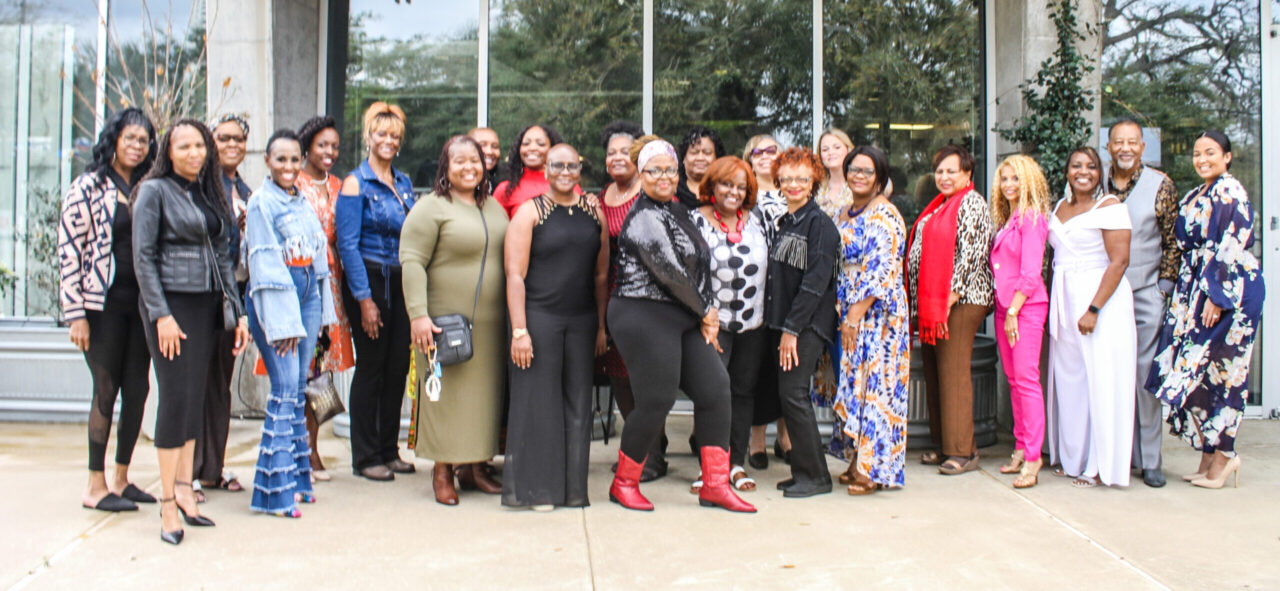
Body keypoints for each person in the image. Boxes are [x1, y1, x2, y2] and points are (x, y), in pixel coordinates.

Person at [606, 138, 754, 513]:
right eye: (654, 170)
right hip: (643, 313)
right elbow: (670, 271)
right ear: (641, 175)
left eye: (669, 170)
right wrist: (707, 313)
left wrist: (703, 315)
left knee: (716, 388)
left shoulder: (676, 211)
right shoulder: (643, 217)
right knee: (657, 398)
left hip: (682, 313)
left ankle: (716, 485)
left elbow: (699, 264)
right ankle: (624, 483)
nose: (664, 177)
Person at [133, 119, 249, 544]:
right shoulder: (152, 191)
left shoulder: (208, 193)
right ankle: (166, 502)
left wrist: (237, 313)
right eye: (184, 146)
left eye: (199, 145)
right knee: (176, 400)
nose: (194, 153)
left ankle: (185, 489)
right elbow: (143, 259)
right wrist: (161, 314)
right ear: (169, 150)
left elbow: (222, 258)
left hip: (205, 306)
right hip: (172, 307)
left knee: (195, 397)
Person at [1146, 131, 1264, 489]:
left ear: (1227, 156)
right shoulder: (1197, 194)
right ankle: (1209, 455)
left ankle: (1225, 456)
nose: (1202, 159)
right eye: (1197, 154)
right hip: (1198, 289)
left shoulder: (1231, 191)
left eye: (1210, 153)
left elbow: (1230, 245)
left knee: (1224, 373)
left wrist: (1217, 297)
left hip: (1226, 293)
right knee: (1197, 372)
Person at [59, 107, 157, 512]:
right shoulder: (89, 186)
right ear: (114, 139)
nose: (137, 145)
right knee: (106, 390)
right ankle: (94, 484)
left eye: (144, 140)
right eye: (130, 137)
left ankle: (121, 476)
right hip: (100, 309)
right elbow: (68, 251)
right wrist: (75, 313)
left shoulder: (150, 187)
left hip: (140, 307)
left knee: (138, 391)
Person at [400, 135, 508, 505]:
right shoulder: (431, 207)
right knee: (444, 396)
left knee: (483, 399)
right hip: (443, 323)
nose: (469, 167)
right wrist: (418, 315)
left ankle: (475, 467)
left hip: (491, 325)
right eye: (459, 161)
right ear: (445, 166)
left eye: (475, 161)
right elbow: (412, 260)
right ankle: (442, 471)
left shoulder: (494, 207)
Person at [502, 144, 608, 510]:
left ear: (580, 169)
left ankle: (573, 490)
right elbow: (514, 276)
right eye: (557, 165)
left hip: (582, 321)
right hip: (539, 319)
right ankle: (539, 490)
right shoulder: (529, 213)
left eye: (572, 165)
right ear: (546, 170)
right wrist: (519, 330)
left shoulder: (595, 212)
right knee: (539, 404)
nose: (565, 171)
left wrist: (601, 327)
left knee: (579, 405)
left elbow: (601, 275)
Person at [244, 129, 337, 517]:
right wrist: (282, 324)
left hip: (308, 298)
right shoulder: (260, 204)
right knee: (283, 391)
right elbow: (263, 264)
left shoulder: (300, 201)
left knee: (298, 390)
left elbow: (317, 259)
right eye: (280, 159)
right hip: (276, 303)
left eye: (294, 159)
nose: (288, 166)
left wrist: (323, 313)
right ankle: (273, 492)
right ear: (267, 160)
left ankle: (299, 479)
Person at [815, 146, 910, 496]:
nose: (858, 175)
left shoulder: (886, 215)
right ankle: (857, 459)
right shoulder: (843, 212)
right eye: (853, 168)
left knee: (877, 389)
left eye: (867, 171)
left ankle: (874, 469)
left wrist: (855, 314)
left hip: (877, 315)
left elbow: (883, 270)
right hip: (847, 310)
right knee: (854, 386)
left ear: (880, 178)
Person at [1046, 147, 1137, 488]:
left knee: (1101, 380)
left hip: (1101, 299)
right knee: (1070, 379)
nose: (1083, 172)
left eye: (1091, 166)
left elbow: (1119, 262)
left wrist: (1094, 309)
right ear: (1067, 171)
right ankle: (1073, 458)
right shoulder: (1059, 206)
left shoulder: (1110, 207)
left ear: (1101, 172)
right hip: (1064, 297)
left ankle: (1099, 465)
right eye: (1076, 166)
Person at [336, 102, 417, 482]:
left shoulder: (402, 183)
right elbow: (347, 245)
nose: (388, 140)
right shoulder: (355, 183)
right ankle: (365, 455)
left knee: (397, 367)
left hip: (401, 279)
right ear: (369, 137)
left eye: (394, 136)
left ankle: (389, 449)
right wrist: (364, 299)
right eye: (381, 133)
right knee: (371, 368)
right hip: (369, 278)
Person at [906, 145, 993, 475]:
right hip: (934, 303)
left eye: (951, 171)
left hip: (961, 300)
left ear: (967, 174)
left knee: (953, 372)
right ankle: (944, 445)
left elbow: (970, 256)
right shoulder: (939, 205)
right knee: (935, 371)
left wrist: (948, 299)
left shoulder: (971, 203)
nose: (944, 177)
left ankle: (963, 452)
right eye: (939, 171)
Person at [1103, 120, 1181, 488]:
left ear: (1142, 147)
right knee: (1110, 374)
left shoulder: (1160, 185)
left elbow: (1172, 241)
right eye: (1119, 141)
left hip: (1145, 290)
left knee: (1144, 376)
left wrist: (1162, 288)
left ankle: (1150, 460)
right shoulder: (1095, 181)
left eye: (1132, 142)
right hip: (1103, 296)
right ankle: (1120, 455)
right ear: (1108, 145)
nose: (1125, 148)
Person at [688, 156, 766, 494]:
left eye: (740, 186)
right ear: (712, 186)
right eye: (726, 184)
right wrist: (704, 315)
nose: (733, 192)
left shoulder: (759, 220)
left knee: (743, 393)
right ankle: (711, 468)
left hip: (754, 323)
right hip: (712, 325)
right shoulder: (695, 221)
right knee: (713, 395)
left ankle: (736, 465)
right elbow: (688, 274)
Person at [765, 147, 840, 498]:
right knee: (788, 396)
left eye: (802, 178)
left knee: (794, 395)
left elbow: (815, 282)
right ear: (778, 181)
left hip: (806, 326)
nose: (794, 184)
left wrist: (792, 329)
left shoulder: (820, 225)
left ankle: (816, 477)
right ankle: (802, 471)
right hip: (787, 326)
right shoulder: (787, 221)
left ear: (814, 181)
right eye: (788, 178)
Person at [596, 124, 669, 480]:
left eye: (625, 151)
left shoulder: (652, 193)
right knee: (619, 376)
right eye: (611, 152)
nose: (617, 157)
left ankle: (651, 455)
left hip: (647, 300)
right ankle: (644, 447)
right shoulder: (601, 195)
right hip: (611, 297)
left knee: (645, 379)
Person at [194, 113, 253, 497]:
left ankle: (213, 468)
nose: (232, 144)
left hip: (235, 298)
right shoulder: (200, 187)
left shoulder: (245, 190)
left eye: (239, 139)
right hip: (202, 296)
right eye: (223, 137)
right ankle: (191, 471)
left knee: (219, 387)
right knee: (195, 385)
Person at [295, 115, 354, 483]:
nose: (329, 152)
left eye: (334, 146)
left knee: (321, 376)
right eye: (322, 145)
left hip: (334, 288)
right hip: (303, 285)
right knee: (302, 374)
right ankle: (302, 452)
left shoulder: (338, 184)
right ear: (307, 147)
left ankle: (312, 449)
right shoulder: (293, 183)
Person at [989, 155, 1051, 489]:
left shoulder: (1032, 218)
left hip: (1023, 308)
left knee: (1027, 380)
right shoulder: (1009, 217)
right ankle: (1020, 445)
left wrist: (1013, 311)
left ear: (1028, 181)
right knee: (1013, 380)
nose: (1009, 185)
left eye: (1015, 179)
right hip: (1006, 307)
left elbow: (1030, 273)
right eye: (1004, 179)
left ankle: (1033, 456)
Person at [740, 133, 790, 469]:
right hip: (753, 292)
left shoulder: (793, 193)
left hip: (786, 291)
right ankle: (756, 440)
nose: (763, 156)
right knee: (756, 367)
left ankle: (785, 438)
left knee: (786, 366)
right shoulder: (743, 195)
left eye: (771, 150)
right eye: (756, 151)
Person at [494, 124, 572, 218]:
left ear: (553, 149)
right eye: (526, 144)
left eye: (541, 144)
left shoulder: (568, 186)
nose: (532, 148)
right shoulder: (506, 190)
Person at [674, 125, 725, 209]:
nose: (700, 158)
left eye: (707, 153)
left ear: (717, 158)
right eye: (694, 152)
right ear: (684, 158)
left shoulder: (725, 190)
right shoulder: (673, 189)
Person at [815, 129, 853, 217]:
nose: (831, 152)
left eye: (837, 147)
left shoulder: (858, 184)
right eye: (825, 150)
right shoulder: (815, 187)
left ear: (848, 150)